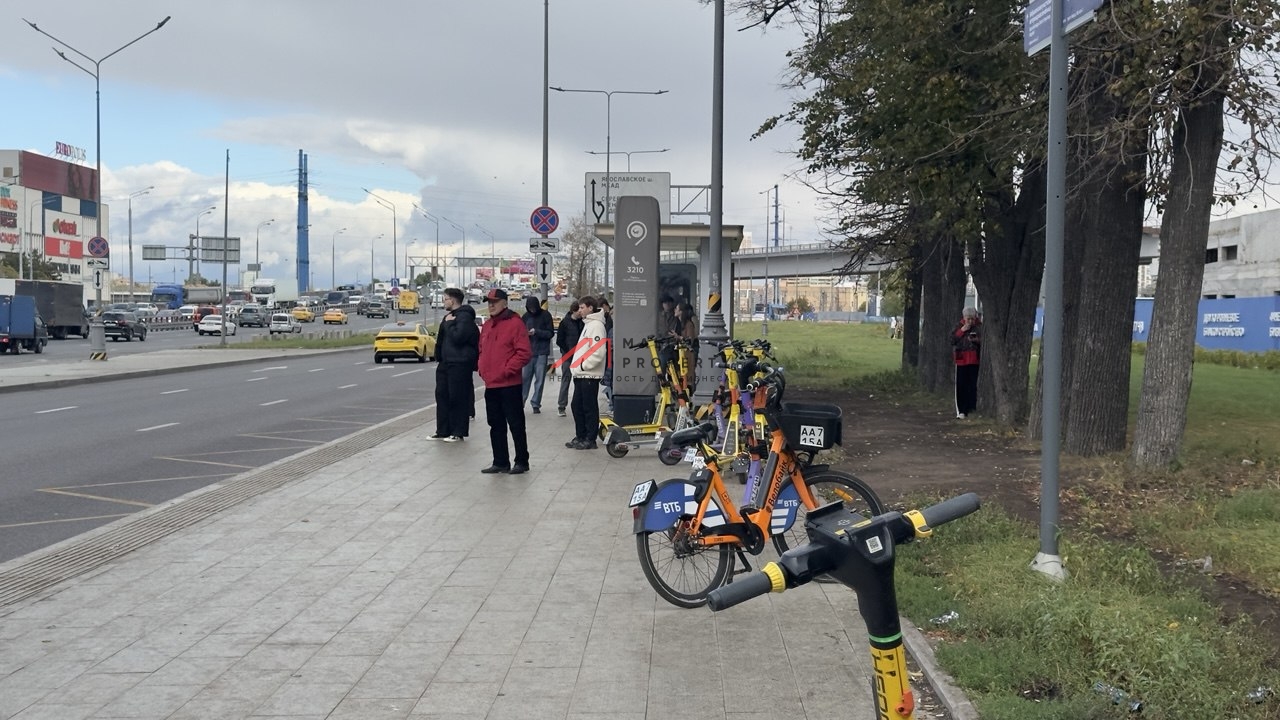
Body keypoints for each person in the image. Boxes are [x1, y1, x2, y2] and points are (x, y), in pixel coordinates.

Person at [477, 288, 532, 474]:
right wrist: (482, 368)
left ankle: (521, 461)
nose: (491, 305)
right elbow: (482, 350)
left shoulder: (515, 323)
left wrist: (506, 370)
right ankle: (500, 461)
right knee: (495, 424)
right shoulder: (487, 325)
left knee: (516, 424)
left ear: (505, 303)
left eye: (495, 301)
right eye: (489, 302)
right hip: (491, 385)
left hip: (509, 384)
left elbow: (524, 353)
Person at [431, 288, 479, 442]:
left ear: (453, 300)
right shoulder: (448, 317)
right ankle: (443, 430)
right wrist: (439, 356)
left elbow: (459, 337)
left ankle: (458, 432)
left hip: (459, 363)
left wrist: (450, 325)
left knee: (457, 398)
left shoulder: (464, 317)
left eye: (445, 299)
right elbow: (442, 340)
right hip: (446, 363)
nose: (443, 301)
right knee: (442, 395)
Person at [567, 295, 607, 450]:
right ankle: (581, 435)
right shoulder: (588, 324)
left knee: (588, 407)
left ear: (591, 308)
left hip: (589, 374)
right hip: (582, 374)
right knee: (577, 405)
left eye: (582, 307)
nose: (580, 310)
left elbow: (598, 351)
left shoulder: (596, 325)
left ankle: (590, 439)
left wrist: (583, 366)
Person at [520, 296, 554, 414]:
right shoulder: (525, 317)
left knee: (539, 380)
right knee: (525, 379)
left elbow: (550, 333)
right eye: (530, 308)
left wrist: (537, 332)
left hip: (541, 352)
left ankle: (536, 404)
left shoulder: (546, 315)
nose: (532, 310)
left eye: (534, 307)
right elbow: (519, 334)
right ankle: (521, 402)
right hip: (528, 352)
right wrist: (526, 334)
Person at [554, 301, 583, 417]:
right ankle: (561, 406)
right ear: (574, 311)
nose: (581, 312)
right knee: (565, 381)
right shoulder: (565, 323)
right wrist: (568, 351)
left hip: (580, 357)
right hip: (568, 357)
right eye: (579, 310)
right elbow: (559, 340)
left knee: (579, 382)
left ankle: (578, 405)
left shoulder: (582, 323)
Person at [952, 307, 982, 419]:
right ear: (964, 318)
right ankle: (961, 410)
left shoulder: (979, 326)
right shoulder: (958, 326)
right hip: (961, 360)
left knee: (972, 385)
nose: (970, 321)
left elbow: (985, 341)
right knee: (961, 385)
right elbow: (952, 340)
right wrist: (962, 331)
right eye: (968, 319)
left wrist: (977, 341)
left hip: (975, 359)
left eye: (972, 319)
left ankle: (971, 408)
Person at [673, 301, 699, 391]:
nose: (674, 310)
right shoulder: (678, 323)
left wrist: (678, 337)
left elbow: (690, 340)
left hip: (689, 352)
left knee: (689, 373)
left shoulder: (689, 324)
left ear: (681, 312)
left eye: (677, 308)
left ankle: (689, 390)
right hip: (682, 352)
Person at [600, 299, 615, 414]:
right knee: (608, 380)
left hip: (612, 357)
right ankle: (611, 403)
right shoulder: (610, 327)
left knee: (610, 380)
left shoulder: (613, 327)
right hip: (608, 355)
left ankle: (612, 404)